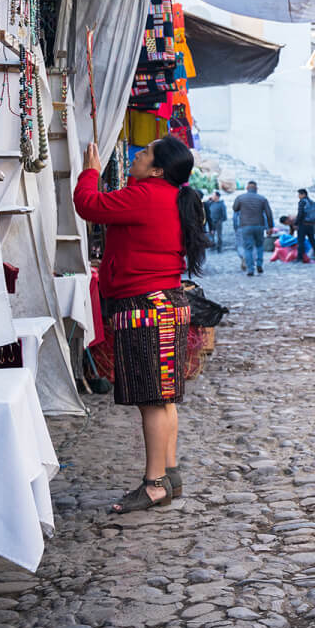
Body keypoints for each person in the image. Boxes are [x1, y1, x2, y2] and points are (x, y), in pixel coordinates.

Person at [74, 136, 207, 513]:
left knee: (152, 400)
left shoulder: (147, 196)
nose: (136, 155)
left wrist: (90, 172)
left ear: (158, 169)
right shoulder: (162, 195)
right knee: (164, 398)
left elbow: (88, 205)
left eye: (145, 153)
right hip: (166, 303)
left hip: (144, 309)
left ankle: (153, 485)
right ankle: (170, 473)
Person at [232, 180, 274, 276]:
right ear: (256, 189)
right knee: (259, 246)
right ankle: (259, 264)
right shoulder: (262, 199)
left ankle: (250, 269)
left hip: (246, 226)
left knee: (248, 248)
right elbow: (268, 213)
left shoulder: (240, 198)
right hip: (259, 225)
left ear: (247, 188)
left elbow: (235, 208)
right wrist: (270, 227)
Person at [294, 188, 315, 263]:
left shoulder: (302, 202)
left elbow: (300, 214)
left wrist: (296, 223)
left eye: (299, 194)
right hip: (311, 224)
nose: (298, 196)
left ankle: (300, 258)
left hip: (303, 224)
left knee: (300, 241)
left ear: (303, 194)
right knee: (312, 240)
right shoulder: (312, 202)